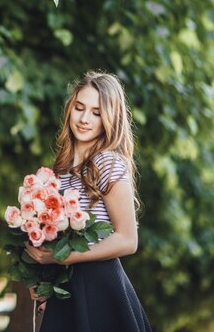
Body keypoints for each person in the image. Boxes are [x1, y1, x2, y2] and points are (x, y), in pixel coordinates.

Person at [25, 71, 151, 332]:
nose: (84, 119)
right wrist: (42, 278)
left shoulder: (106, 162)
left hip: (99, 287)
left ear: (109, 118)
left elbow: (128, 239)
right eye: (79, 108)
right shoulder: (60, 171)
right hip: (66, 288)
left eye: (96, 112)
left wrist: (62, 257)